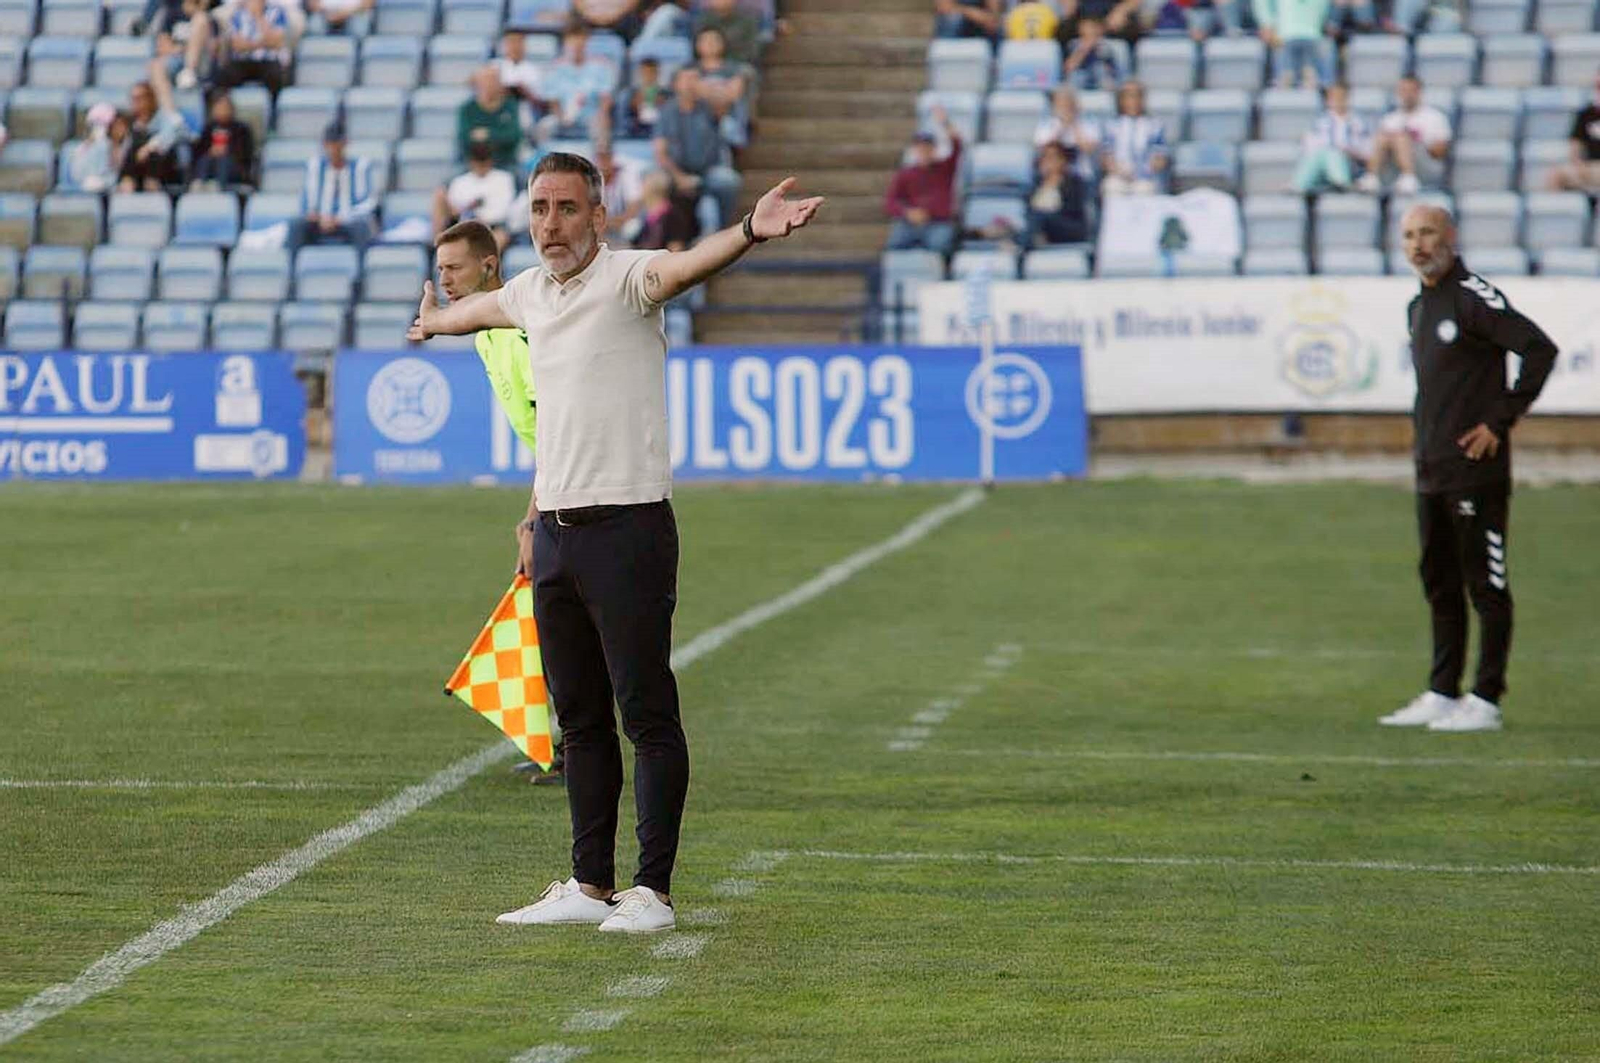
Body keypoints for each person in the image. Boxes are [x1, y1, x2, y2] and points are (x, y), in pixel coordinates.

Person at [407, 152, 823, 933]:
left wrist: (749, 231)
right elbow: (481, 310)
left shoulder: (629, 277)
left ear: (598, 216)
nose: (551, 223)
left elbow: (689, 265)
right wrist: (434, 320)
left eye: (567, 208)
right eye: (539, 208)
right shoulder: (530, 291)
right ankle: (587, 882)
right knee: (580, 719)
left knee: (646, 713)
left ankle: (652, 892)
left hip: (629, 527)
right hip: (558, 536)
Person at [1376, 205, 1558, 735]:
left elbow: (1539, 349)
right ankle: (1442, 690)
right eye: (1409, 235)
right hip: (1431, 469)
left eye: (1428, 232)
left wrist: (1498, 422)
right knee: (1439, 581)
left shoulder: (1474, 298)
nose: (1418, 244)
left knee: (1486, 583)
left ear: (1450, 236)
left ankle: (1486, 698)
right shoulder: (1418, 306)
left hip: (1476, 471)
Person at [654, 67, 742, 228]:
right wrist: (679, 177)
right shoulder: (667, 111)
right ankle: (656, 233)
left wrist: (705, 91)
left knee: (729, 181)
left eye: (695, 78)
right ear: (676, 84)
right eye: (686, 79)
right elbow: (660, 152)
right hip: (675, 172)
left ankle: (725, 230)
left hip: (707, 171)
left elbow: (728, 101)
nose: (690, 83)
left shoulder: (709, 106)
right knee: (655, 182)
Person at [884, 105, 961, 254]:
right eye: (920, 148)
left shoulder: (945, 168)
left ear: (934, 149)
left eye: (927, 147)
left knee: (938, 246)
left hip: (939, 222)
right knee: (894, 245)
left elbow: (957, 145)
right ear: (914, 150)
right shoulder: (905, 173)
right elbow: (890, 202)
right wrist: (908, 212)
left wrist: (945, 123)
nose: (924, 151)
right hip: (912, 223)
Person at [1357, 75, 1451, 196]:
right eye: (1403, 91)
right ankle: (1371, 177)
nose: (1407, 95)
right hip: (1393, 168)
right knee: (1383, 136)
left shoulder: (1435, 117)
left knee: (1401, 137)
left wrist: (1414, 143)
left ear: (1419, 92)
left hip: (1424, 166)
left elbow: (1441, 152)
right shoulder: (1390, 119)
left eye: (1411, 90)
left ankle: (1409, 177)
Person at [295, 123, 378, 248]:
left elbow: (368, 203)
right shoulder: (315, 167)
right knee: (296, 226)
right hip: (321, 222)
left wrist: (340, 219)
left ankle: (360, 266)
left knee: (361, 227)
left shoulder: (360, 167)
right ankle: (292, 265)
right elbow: (307, 203)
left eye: (337, 144)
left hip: (349, 222)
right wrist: (320, 218)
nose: (333, 149)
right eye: (330, 144)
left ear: (345, 144)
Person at [537, 23, 617, 142]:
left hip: (591, 116)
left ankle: (599, 159)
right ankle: (545, 158)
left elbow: (605, 99)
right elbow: (553, 101)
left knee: (602, 125)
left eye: (580, 42)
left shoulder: (602, 65)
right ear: (566, 43)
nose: (576, 46)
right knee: (543, 127)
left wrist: (600, 115)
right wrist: (562, 117)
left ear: (586, 41)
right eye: (572, 42)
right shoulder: (554, 68)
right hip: (563, 115)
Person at [435, 142, 518, 249]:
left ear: (490, 161)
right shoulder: (460, 181)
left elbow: (504, 210)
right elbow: (454, 211)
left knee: (500, 236)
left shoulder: (504, 179)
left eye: (484, 162)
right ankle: (437, 248)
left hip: (492, 227)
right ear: (471, 162)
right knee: (440, 194)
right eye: (478, 162)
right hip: (463, 226)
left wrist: (481, 219)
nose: (481, 167)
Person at [1292, 82, 1370, 193]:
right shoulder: (1320, 122)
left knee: (1333, 153)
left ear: (1347, 98)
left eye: (1341, 96)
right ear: (1329, 100)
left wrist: (1349, 151)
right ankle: (1299, 186)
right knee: (1321, 154)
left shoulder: (1357, 122)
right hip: (1322, 164)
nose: (1338, 100)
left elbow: (1367, 151)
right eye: (1334, 97)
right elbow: (1308, 146)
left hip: (1349, 164)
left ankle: (1341, 182)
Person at [118, 70, 188, 191]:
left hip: (166, 169)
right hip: (137, 170)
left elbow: (168, 138)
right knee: (132, 151)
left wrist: (148, 148)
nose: (136, 102)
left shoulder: (166, 117)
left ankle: (152, 190)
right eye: (133, 98)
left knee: (152, 153)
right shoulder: (132, 124)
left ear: (150, 98)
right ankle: (126, 189)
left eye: (140, 98)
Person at [1098, 80, 1168, 196]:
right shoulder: (1111, 125)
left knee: (1144, 189)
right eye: (1129, 96)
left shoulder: (1155, 125)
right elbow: (1106, 155)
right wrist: (1118, 171)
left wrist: (1143, 172)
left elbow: (1160, 157)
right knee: (1112, 186)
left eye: (1137, 96)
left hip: (1144, 176)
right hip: (1119, 173)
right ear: (1121, 100)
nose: (1134, 101)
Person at [216, 0, 292, 97]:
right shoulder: (238, 13)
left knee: (276, 76)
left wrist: (258, 16)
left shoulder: (277, 12)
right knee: (223, 75)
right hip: (243, 61)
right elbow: (237, 45)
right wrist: (262, 43)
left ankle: (274, 109)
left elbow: (277, 42)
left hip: (268, 61)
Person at [692, 27, 752, 149]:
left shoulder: (734, 68)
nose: (710, 44)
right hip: (698, 119)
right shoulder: (690, 69)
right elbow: (693, 92)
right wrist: (721, 90)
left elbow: (734, 94)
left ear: (723, 44)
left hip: (728, 118)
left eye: (715, 40)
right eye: (706, 40)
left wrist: (706, 91)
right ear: (697, 45)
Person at [136, 0, 216, 89]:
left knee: (201, 19)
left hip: (201, 63)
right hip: (176, 59)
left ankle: (189, 71)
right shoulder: (172, 12)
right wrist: (182, 48)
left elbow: (214, 46)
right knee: (155, 66)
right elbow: (162, 45)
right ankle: (167, 103)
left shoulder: (207, 17)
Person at [1057, 1, 1138, 88]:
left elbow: (1123, 76)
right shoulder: (1073, 45)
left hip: (1109, 91)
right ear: (1080, 27)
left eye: (1095, 26)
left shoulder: (1116, 47)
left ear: (1102, 28)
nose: (1091, 30)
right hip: (1079, 90)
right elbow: (1067, 70)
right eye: (1087, 26)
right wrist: (1085, 48)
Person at [1252, 0, 1332, 88]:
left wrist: (1268, 23)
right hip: (1309, 36)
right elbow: (1324, 12)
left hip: (1287, 36)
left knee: (1288, 76)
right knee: (1308, 73)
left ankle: (1289, 93)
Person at [460, 66, 524, 172]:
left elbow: (514, 136)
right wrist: (498, 136)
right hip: (473, 164)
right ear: (477, 84)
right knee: (448, 183)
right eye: (486, 81)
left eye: (494, 80)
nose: (490, 84)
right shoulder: (467, 109)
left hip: (505, 162)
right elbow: (464, 138)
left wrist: (487, 134)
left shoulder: (510, 106)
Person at [1546, 70, 1600, 193]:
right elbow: (1575, 144)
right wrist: (1577, 163)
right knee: (1556, 176)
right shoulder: (1586, 114)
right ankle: (1560, 210)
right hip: (1590, 167)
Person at [190, 90, 256, 191]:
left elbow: (246, 154)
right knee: (205, 160)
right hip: (210, 164)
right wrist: (211, 151)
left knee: (223, 161)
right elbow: (197, 153)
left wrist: (227, 150)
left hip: (234, 167)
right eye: (218, 107)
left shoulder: (241, 129)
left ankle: (219, 187)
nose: (222, 110)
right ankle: (199, 184)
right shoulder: (208, 129)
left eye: (225, 107)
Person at [1027, 142, 1090, 245]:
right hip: (1040, 226)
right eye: (1044, 157)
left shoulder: (1073, 183)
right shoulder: (1037, 185)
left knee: (1040, 218)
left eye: (1052, 157)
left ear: (1063, 160)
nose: (1047, 162)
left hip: (1067, 227)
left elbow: (1071, 211)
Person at [1032, 85, 1100, 182]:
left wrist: (1074, 125)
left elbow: (1089, 149)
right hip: (1055, 176)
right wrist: (1062, 127)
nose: (1066, 107)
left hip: (1081, 175)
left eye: (1069, 103)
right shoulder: (1046, 126)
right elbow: (1044, 150)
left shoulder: (1089, 124)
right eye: (1062, 103)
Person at [70, 104, 131, 193]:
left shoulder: (129, 144)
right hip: (98, 184)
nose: (120, 130)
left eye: (122, 126)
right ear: (109, 128)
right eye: (116, 126)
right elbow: (81, 174)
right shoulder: (99, 146)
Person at [632, 169, 695, 250]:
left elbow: (676, 248)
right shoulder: (649, 215)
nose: (640, 190)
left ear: (652, 190)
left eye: (643, 185)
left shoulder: (672, 215)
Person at [692, 0, 758, 63]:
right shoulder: (702, 20)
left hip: (738, 65)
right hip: (707, 65)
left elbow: (752, 50)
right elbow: (697, 49)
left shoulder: (747, 21)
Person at [619, 56, 669, 138]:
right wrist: (634, 108)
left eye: (652, 72)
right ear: (640, 73)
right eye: (645, 73)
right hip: (635, 134)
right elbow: (624, 122)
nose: (648, 76)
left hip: (660, 134)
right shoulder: (629, 95)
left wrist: (664, 106)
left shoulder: (667, 95)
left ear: (658, 73)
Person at [935, 0, 1002, 38]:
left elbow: (994, 11)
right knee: (954, 20)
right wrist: (971, 13)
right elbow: (944, 8)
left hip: (980, 21)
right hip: (958, 20)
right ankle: (948, 56)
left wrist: (990, 18)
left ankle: (995, 59)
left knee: (997, 26)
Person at [305, 0, 374, 35]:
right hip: (325, 14)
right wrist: (328, 14)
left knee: (359, 27)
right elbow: (312, 4)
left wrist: (342, 15)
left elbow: (367, 4)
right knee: (315, 24)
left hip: (354, 13)